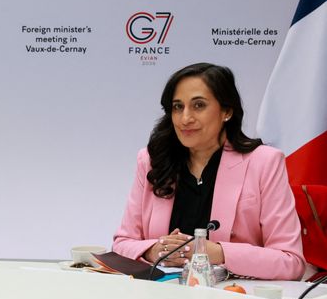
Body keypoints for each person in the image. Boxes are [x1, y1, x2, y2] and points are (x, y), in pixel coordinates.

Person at [113, 62, 305, 280]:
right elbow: (121, 244)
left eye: (198, 105)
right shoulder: (152, 160)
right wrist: (153, 250)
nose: (185, 119)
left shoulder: (264, 162)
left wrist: (214, 252)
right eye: (178, 107)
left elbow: (291, 262)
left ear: (227, 111)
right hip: (159, 297)